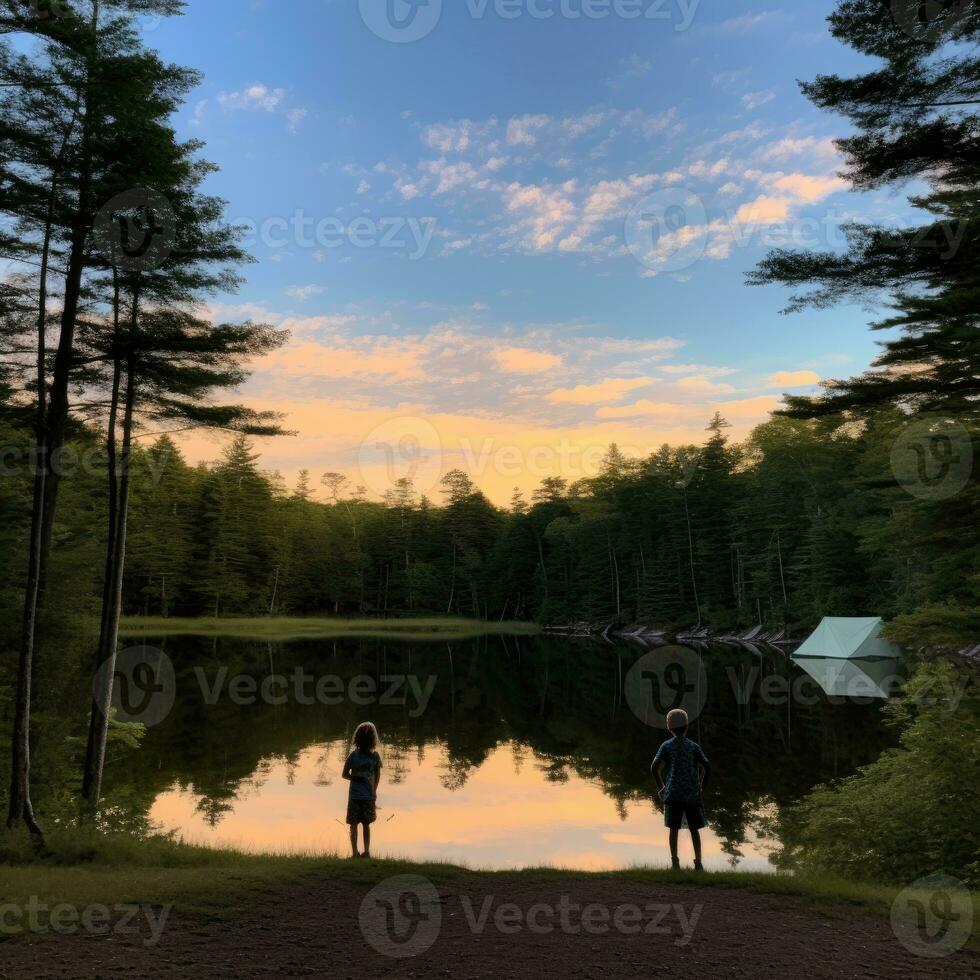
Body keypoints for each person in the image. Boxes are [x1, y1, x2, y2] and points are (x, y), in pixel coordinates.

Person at [651, 708, 710, 872]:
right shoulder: (693, 747)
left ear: (669, 728)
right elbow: (707, 767)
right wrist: (701, 787)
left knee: (673, 828)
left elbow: (654, 768)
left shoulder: (667, 746)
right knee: (694, 829)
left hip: (673, 793)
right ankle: (698, 863)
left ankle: (675, 863)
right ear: (686, 726)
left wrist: (661, 787)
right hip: (691, 794)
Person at [342, 722, 382, 859]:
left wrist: (374, 791)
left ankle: (365, 852)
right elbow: (345, 774)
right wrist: (356, 777)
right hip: (355, 796)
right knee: (355, 825)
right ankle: (355, 853)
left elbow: (377, 776)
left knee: (365, 825)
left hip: (367, 796)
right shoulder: (354, 755)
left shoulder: (375, 757)